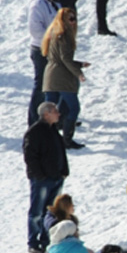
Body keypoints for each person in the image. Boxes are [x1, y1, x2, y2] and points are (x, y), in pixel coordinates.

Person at [23, 103, 68, 253]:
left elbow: (61, 152)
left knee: (50, 212)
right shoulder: (35, 132)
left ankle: (45, 240)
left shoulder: (53, 130)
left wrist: (64, 172)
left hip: (56, 178)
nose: (58, 114)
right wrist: (40, 175)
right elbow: (30, 157)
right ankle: (33, 242)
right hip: (42, 180)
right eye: (55, 111)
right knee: (36, 212)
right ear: (46, 114)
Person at [41, 8, 88, 150]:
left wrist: (79, 64)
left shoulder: (53, 33)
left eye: (74, 18)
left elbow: (58, 58)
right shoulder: (64, 35)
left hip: (50, 75)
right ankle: (67, 140)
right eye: (70, 19)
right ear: (63, 20)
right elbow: (65, 59)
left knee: (49, 109)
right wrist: (78, 72)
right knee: (73, 108)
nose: (73, 22)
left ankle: (45, 137)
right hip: (61, 77)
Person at [26, 0, 62, 127]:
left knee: (56, 84)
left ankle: (55, 118)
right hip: (42, 50)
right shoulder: (38, 5)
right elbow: (35, 30)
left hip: (55, 49)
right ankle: (34, 121)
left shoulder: (54, 4)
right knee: (41, 86)